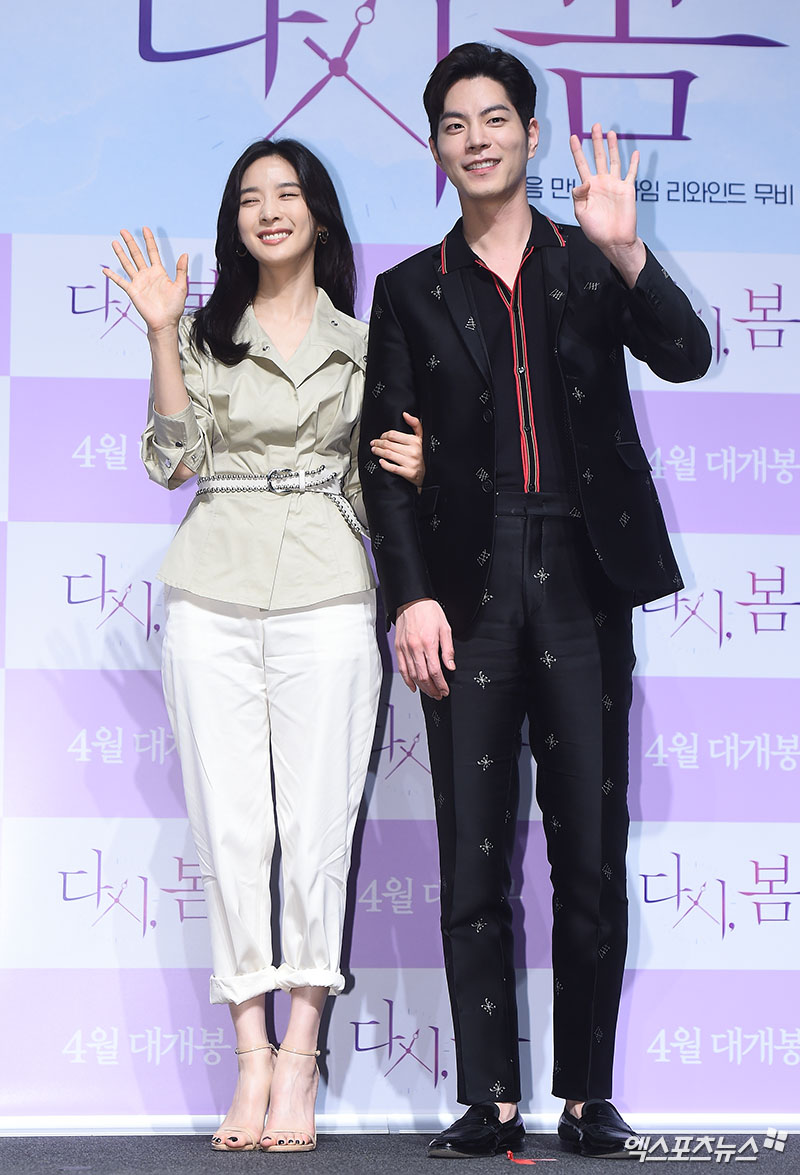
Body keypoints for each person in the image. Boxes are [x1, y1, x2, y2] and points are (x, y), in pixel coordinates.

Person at [361, 43, 711, 1160]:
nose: (477, 137)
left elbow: (688, 353)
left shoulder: (582, 257)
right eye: (455, 122)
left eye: (495, 117)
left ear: (527, 134)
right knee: (471, 853)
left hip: (580, 570)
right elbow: (383, 458)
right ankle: (489, 1097)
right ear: (434, 147)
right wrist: (408, 595)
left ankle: (585, 1095)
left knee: (588, 850)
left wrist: (628, 253)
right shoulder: (407, 290)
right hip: (465, 587)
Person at [103, 138, 423, 1153]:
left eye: (287, 194)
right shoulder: (204, 332)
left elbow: (391, 483)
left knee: (317, 833)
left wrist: (424, 465)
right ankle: (248, 1057)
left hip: (328, 589)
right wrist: (161, 334)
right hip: (212, 591)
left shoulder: (367, 343)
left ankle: (300, 1058)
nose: (269, 210)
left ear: (319, 216)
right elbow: (169, 462)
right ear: (234, 221)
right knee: (232, 832)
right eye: (250, 197)